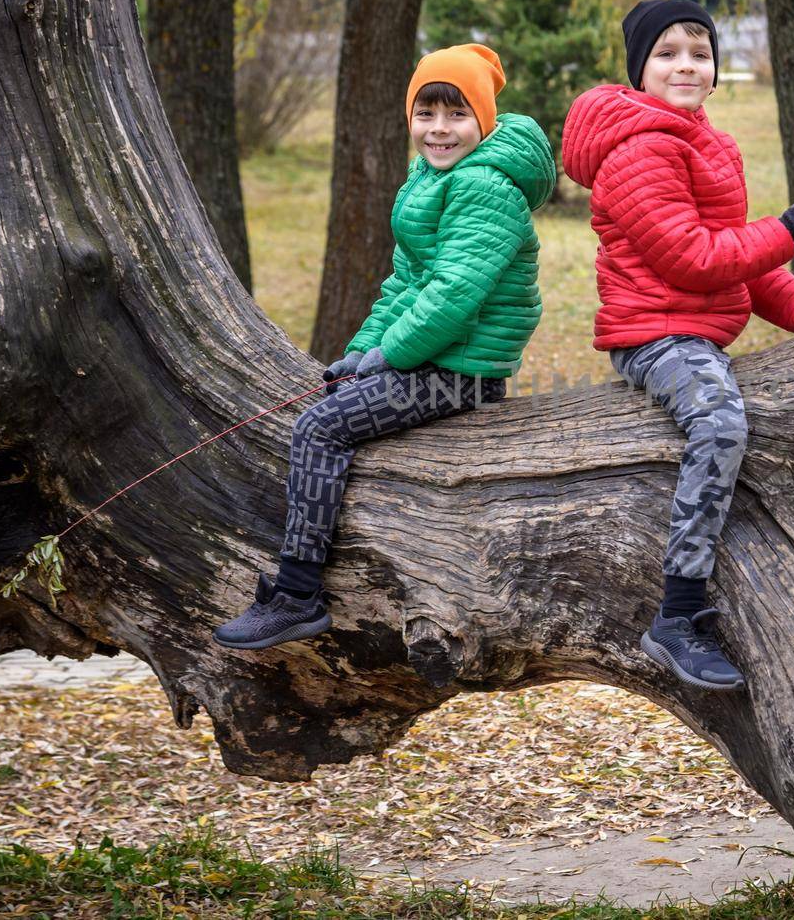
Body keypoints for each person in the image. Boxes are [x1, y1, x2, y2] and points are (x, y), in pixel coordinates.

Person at [560, 0, 794, 689]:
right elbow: (691, 258)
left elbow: (740, 265)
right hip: (656, 334)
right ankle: (677, 612)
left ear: (715, 70)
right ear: (639, 69)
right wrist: (785, 230)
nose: (686, 65)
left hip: (697, 329)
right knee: (720, 421)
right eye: (668, 53)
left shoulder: (709, 143)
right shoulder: (637, 149)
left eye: (699, 53)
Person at [216, 43, 554, 649]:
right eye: (427, 113)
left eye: (457, 115)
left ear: (485, 119)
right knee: (328, 406)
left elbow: (452, 296)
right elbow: (404, 284)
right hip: (433, 356)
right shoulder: (428, 179)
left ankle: (297, 596)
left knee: (319, 429)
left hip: (462, 370)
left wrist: (387, 357)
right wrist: (361, 351)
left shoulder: (485, 188)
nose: (440, 129)